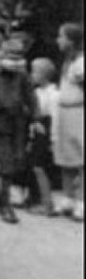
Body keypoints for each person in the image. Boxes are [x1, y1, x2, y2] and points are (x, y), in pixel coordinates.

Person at [0, 32, 32, 223]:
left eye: (18, 57)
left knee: (15, 163)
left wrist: (36, 119)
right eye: (10, 57)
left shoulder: (22, 76)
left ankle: (2, 197)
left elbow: (30, 97)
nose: (14, 62)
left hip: (17, 124)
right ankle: (5, 204)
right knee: (3, 165)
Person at [55, 22, 84, 221]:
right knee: (67, 157)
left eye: (61, 36)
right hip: (64, 112)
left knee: (81, 157)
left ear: (71, 41)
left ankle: (81, 201)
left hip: (78, 112)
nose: (58, 40)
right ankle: (68, 198)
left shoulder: (81, 62)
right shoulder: (66, 61)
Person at [26, 56, 59, 216]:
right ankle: (35, 198)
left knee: (40, 166)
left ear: (43, 75)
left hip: (47, 129)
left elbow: (54, 117)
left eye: (34, 72)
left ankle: (47, 203)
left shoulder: (53, 94)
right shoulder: (36, 92)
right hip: (38, 131)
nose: (31, 75)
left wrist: (53, 138)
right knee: (34, 165)